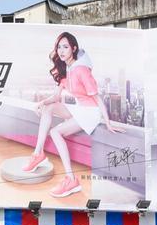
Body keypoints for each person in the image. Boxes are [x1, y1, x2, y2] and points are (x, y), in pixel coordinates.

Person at [23, 31, 121, 199]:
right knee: (48, 108)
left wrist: (108, 122)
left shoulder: (81, 70)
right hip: (79, 108)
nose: (61, 51)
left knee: (55, 132)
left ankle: (71, 180)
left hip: (90, 113)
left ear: (74, 49)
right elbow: (55, 97)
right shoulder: (66, 69)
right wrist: (41, 103)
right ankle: (38, 154)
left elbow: (97, 98)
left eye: (65, 47)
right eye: (59, 47)